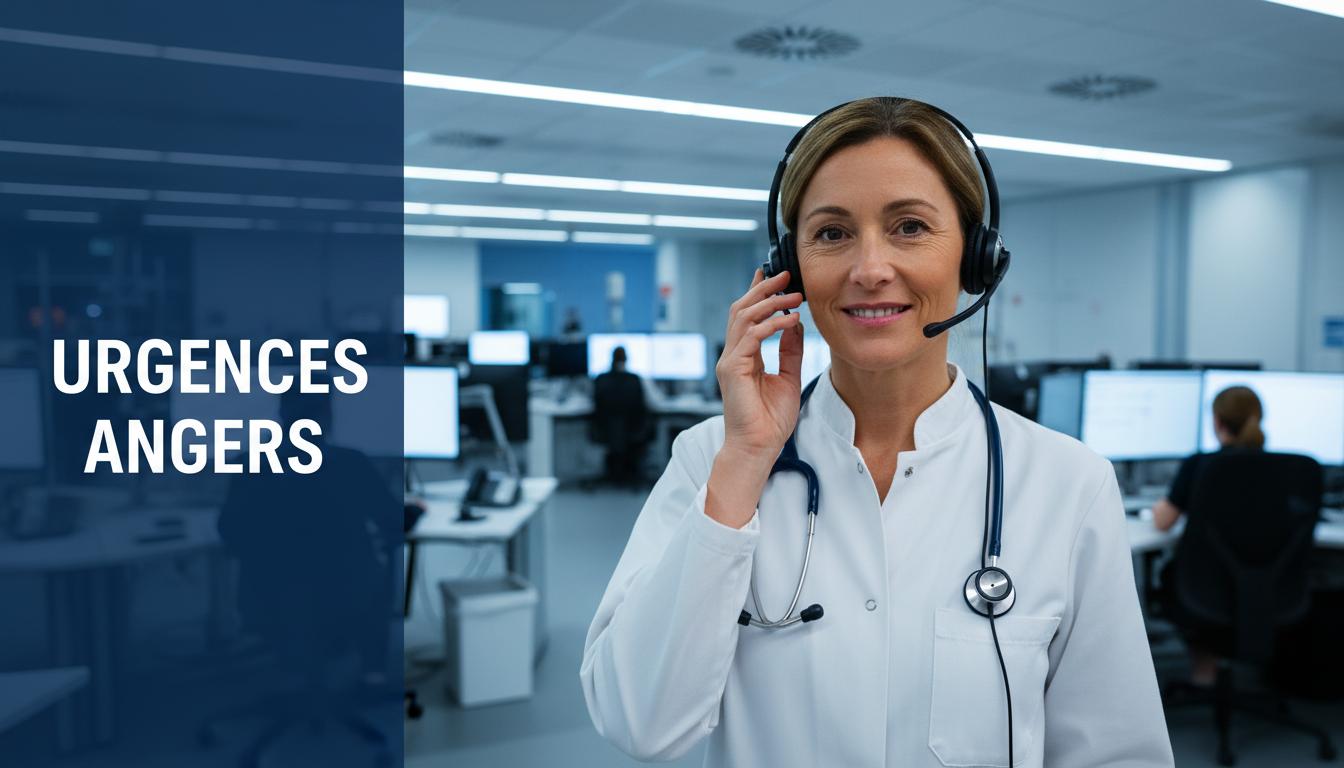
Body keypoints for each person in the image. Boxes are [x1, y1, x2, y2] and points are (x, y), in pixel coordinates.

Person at [580, 98, 1171, 767]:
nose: (869, 268)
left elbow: (1119, 753)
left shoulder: (1068, 482)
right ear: (790, 268)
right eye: (831, 233)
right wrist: (744, 462)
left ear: (976, 258)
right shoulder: (710, 461)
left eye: (910, 227)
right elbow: (637, 722)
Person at [1152, 385, 1265, 685]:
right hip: (1264, 586)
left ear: (1217, 421)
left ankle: (1204, 672)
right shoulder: (1288, 468)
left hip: (1201, 589)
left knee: (1171, 575)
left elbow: (1163, 522)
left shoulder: (1200, 464)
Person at [591, 346, 651, 485]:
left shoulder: (600, 379)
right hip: (633, 429)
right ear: (627, 359)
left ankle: (616, 470)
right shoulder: (635, 379)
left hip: (605, 430)